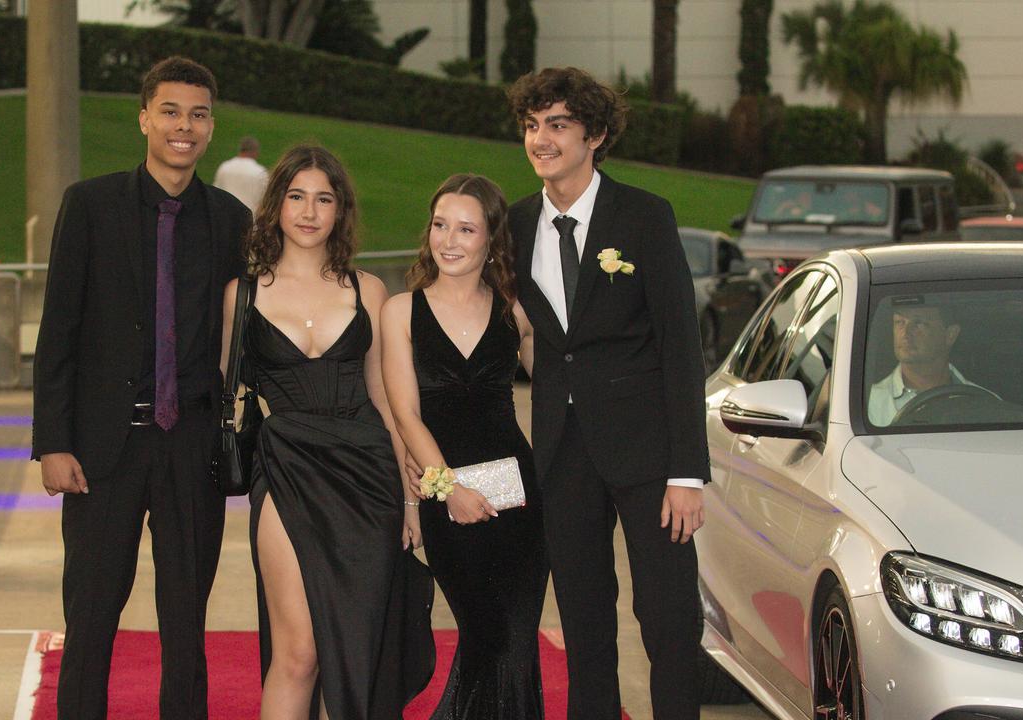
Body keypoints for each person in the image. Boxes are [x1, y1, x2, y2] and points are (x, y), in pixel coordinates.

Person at [32, 56, 251, 719]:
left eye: (199, 114)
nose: (184, 126)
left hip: (192, 447)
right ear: (144, 118)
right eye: (171, 111)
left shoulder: (232, 220)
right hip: (102, 450)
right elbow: (58, 331)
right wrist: (52, 442)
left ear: (211, 127)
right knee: (92, 617)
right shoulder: (90, 206)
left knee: (187, 623)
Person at [505, 67, 710, 720]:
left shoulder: (645, 217)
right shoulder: (511, 225)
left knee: (669, 617)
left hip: (651, 456)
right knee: (584, 619)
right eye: (533, 125)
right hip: (561, 451)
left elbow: (683, 349)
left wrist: (688, 472)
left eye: (558, 125)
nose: (542, 139)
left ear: (594, 134)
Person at [223, 143, 431, 720]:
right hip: (285, 470)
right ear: (276, 206)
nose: (309, 211)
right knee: (299, 651)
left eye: (324, 199)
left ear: (340, 211)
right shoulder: (241, 296)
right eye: (296, 197)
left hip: (368, 477)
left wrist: (412, 495)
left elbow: (388, 400)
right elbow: (223, 393)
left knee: (355, 651)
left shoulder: (367, 290)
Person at [381, 174, 548, 718]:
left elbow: (562, 380)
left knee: (518, 645)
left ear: (491, 240)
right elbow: (406, 415)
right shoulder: (401, 311)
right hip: (444, 496)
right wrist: (446, 488)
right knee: (486, 634)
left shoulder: (515, 310)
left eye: (466, 228)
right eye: (440, 225)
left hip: (518, 500)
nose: (449, 240)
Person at [867, 301, 980, 425]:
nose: (905, 333)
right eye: (900, 322)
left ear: (950, 335)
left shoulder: (984, 404)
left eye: (918, 323)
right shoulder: (866, 405)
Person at [214, 135, 269, 213]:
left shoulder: (225, 167)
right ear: (255, 152)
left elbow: (216, 194)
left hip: (225, 216)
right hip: (249, 218)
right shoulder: (260, 171)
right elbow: (265, 200)